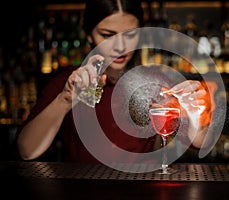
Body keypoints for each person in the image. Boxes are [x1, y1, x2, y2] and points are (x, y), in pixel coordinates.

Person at [15, 0, 217, 164]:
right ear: (88, 34)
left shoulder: (155, 82)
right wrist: (65, 100)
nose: (121, 47)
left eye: (130, 35)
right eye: (107, 35)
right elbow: (26, 150)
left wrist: (197, 115)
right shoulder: (66, 82)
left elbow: (201, 143)